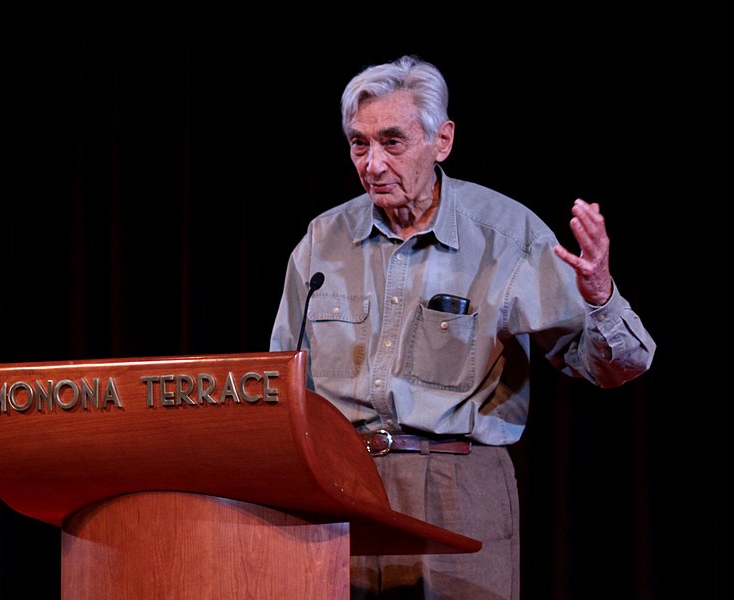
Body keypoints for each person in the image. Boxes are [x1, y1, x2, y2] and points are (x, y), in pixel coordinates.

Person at [269, 55, 656, 600]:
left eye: (392, 142)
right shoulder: (322, 240)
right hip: (341, 491)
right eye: (360, 144)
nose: (373, 164)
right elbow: (283, 382)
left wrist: (600, 298)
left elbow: (615, 367)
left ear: (442, 140)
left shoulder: (507, 236)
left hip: (457, 486)